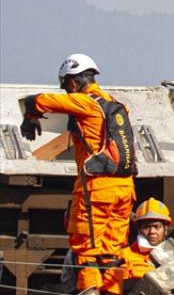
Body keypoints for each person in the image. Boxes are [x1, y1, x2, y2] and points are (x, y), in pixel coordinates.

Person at [18, 54, 136, 295]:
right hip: (125, 189)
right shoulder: (116, 105)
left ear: (72, 82)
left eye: (66, 86)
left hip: (97, 190)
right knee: (112, 252)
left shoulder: (85, 102)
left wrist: (29, 118)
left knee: (86, 251)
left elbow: (37, 100)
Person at [103, 198, 171, 293]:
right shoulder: (122, 256)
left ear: (165, 229)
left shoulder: (173, 258)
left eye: (157, 227)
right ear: (139, 229)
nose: (152, 231)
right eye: (146, 227)